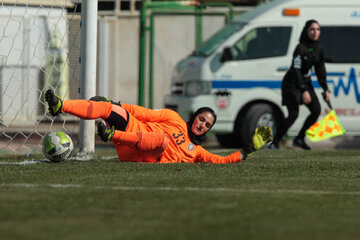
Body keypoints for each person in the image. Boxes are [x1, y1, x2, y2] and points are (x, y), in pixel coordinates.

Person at [45, 89, 272, 163]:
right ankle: (60, 106)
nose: (202, 124)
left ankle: (111, 134)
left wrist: (247, 150)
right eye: (201, 119)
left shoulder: (197, 153)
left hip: (142, 155)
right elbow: (144, 113)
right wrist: (117, 104)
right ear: (194, 117)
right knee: (109, 109)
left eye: (207, 124)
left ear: (208, 130)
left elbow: (221, 161)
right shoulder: (173, 118)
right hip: (132, 133)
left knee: (162, 140)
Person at [272, 19, 331, 150]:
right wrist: (303, 90)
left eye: (318, 29)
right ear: (307, 31)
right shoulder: (300, 48)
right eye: (312, 29)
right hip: (292, 84)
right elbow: (296, 69)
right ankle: (274, 141)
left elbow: (320, 70)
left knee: (316, 110)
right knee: (293, 114)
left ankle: (299, 139)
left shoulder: (318, 49)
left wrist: (325, 89)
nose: (315, 32)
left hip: (305, 82)